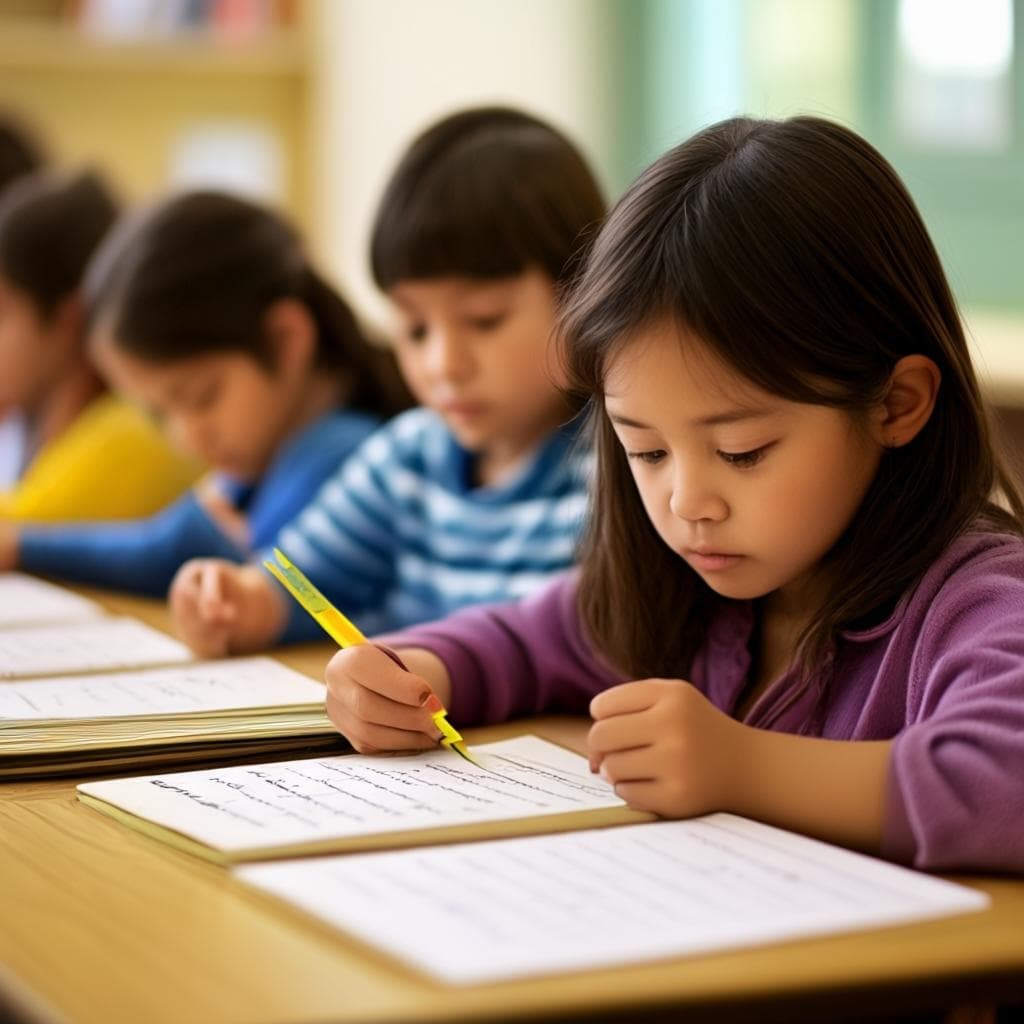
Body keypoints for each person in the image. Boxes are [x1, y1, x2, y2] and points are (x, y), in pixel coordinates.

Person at [321, 116, 1024, 874]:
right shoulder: (683, 594)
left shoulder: (973, 600)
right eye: (646, 450)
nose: (688, 502)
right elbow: (528, 640)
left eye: (740, 451)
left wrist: (743, 767)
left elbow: (1004, 781)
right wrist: (416, 673)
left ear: (894, 404)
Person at [169, 105, 606, 656]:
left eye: (484, 320)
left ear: (583, 297)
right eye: (416, 328)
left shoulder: (616, 474)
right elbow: (302, 583)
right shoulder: (407, 457)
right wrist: (243, 600)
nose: (444, 364)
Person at [0, 190, 409, 594]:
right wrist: (20, 546)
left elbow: (289, 587)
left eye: (201, 397)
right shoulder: (255, 467)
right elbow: (159, 548)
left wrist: (248, 566)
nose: (187, 436)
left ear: (285, 339)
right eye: (159, 415)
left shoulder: (346, 453)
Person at [0, 169, 200, 523]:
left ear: (69, 319)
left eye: (1, 312)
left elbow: (15, 532)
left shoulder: (130, 435)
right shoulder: (42, 432)